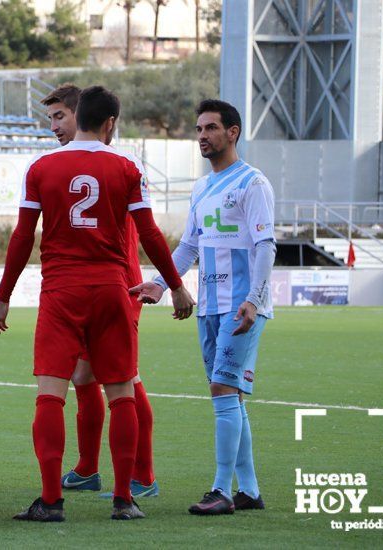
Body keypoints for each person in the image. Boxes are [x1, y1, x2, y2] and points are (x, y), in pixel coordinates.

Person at [0, 86, 194, 521]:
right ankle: (124, 499)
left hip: (61, 290)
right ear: (111, 123)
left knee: (50, 395)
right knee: (122, 392)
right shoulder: (126, 166)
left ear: (78, 117)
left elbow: (23, 238)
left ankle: (50, 500)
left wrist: (1, 297)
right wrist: (174, 285)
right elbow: (151, 234)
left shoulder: (42, 166)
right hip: (112, 288)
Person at [130, 99, 275, 515]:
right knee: (231, 396)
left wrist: (254, 298)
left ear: (233, 132)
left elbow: (266, 245)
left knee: (221, 389)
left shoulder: (253, 183)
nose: (202, 136)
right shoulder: (201, 187)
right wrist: (160, 283)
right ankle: (247, 490)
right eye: (198, 129)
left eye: (211, 128)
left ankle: (221, 491)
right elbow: (190, 246)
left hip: (241, 306)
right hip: (210, 305)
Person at [41, 84, 159, 498]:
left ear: (81, 116)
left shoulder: (111, 165)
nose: (54, 126)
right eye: (51, 118)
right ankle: (89, 468)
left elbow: (143, 231)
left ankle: (142, 476)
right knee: (83, 375)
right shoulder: (77, 164)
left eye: (60, 117)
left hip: (116, 286)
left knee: (124, 378)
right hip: (92, 286)